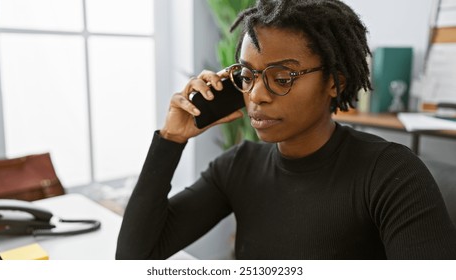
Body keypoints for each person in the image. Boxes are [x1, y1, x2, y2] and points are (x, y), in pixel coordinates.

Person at [116, 0, 456, 259]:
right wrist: (171, 140)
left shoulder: (390, 173)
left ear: (334, 83)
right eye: (247, 77)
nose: (257, 95)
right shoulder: (239, 165)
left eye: (282, 78)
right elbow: (135, 258)